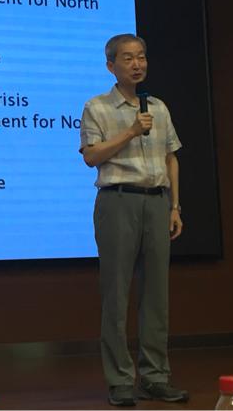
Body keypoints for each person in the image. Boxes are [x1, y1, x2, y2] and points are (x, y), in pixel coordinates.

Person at [79, 34, 189, 407]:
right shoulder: (97, 107)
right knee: (116, 293)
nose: (137, 64)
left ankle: (155, 377)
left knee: (156, 295)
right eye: (128, 58)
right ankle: (120, 380)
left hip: (157, 202)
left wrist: (175, 207)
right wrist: (129, 132)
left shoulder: (158, 107)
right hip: (118, 201)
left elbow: (171, 157)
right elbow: (91, 157)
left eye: (141, 56)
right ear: (111, 65)